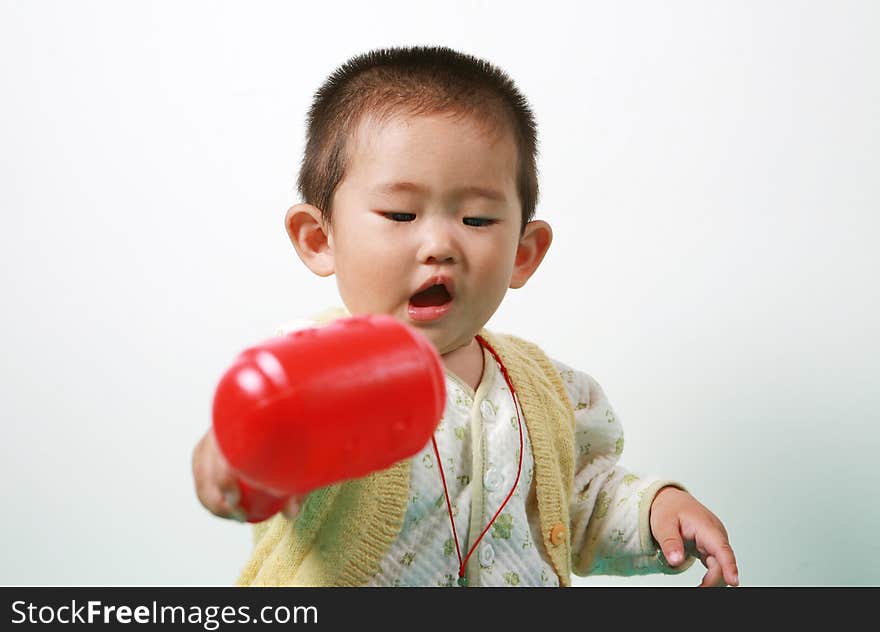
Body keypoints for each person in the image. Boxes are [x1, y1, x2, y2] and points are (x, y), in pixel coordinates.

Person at [191, 45, 739, 587]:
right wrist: (233, 454)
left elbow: (583, 502)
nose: (439, 244)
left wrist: (656, 513)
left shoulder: (551, 390)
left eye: (476, 219)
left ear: (524, 253)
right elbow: (264, 419)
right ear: (318, 239)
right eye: (400, 214)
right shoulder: (314, 366)